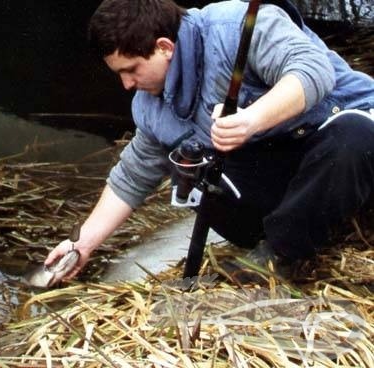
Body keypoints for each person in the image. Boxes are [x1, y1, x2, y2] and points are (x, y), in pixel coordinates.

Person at [45, 0, 374, 280]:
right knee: (196, 174)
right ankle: (287, 231)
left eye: (131, 69)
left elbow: (313, 70)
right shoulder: (150, 104)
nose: (126, 84)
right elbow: (134, 174)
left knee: (353, 138)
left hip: (343, 131)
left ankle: (280, 256)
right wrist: (82, 244)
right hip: (285, 165)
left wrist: (252, 119)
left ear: (164, 47)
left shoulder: (239, 25)